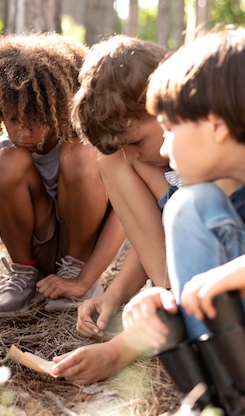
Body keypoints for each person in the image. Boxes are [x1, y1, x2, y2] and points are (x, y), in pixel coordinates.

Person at [121, 28, 245, 414]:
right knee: (189, 206)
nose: (164, 147)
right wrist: (165, 304)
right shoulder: (243, 195)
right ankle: (223, 401)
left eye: (170, 129)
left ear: (218, 126)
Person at [0, 32, 125, 318]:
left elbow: (125, 216)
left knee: (80, 152)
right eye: (13, 119)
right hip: (35, 252)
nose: (23, 131)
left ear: (62, 108)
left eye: (36, 120)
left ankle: (75, 272)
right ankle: (25, 278)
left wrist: (84, 279)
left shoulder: (92, 147)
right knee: (7, 162)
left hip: (86, 255)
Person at [49, 35, 172, 384]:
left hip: (207, 284)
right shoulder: (152, 156)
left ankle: (165, 306)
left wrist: (116, 353)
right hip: (177, 279)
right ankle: (163, 296)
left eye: (136, 142)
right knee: (111, 159)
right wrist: (115, 295)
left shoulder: (206, 162)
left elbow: (202, 263)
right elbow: (156, 238)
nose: (133, 155)